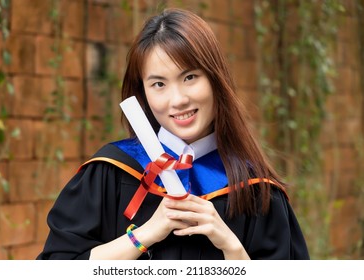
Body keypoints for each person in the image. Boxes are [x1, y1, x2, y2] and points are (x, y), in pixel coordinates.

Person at [37, 8, 310, 260]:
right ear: (142, 93)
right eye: (158, 84)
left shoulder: (256, 190)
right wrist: (145, 234)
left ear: (216, 79)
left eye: (190, 77)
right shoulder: (111, 173)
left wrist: (231, 246)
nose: (177, 100)